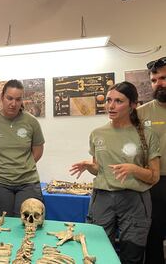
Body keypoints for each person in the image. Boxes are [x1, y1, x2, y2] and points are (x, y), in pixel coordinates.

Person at [70, 81, 160, 264]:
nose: (111, 106)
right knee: (98, 251)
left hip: (135, 200)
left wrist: (133, 169)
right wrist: (89, 166)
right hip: (102, 198)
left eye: (118, 101)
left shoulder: (147, 135)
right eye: (109, 100)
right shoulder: (98, 134)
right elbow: (99, 169)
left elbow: (154, 176)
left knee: (132, 254)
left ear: (133, 105)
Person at [0, 79, 45, 217]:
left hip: (28, 183)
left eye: (18, 99)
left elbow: (37, 152)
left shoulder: (32, 122)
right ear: (2, 97)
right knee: (2, 224)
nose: (13, 104)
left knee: (28, 223)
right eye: (9, 98)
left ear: (22, 100)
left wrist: (22, 166)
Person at [138, 57, 166, 264]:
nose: (159, 84)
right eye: (154, 80)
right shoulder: (141, 113)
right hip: (154, 182)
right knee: (153, 234)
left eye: (164, 78)